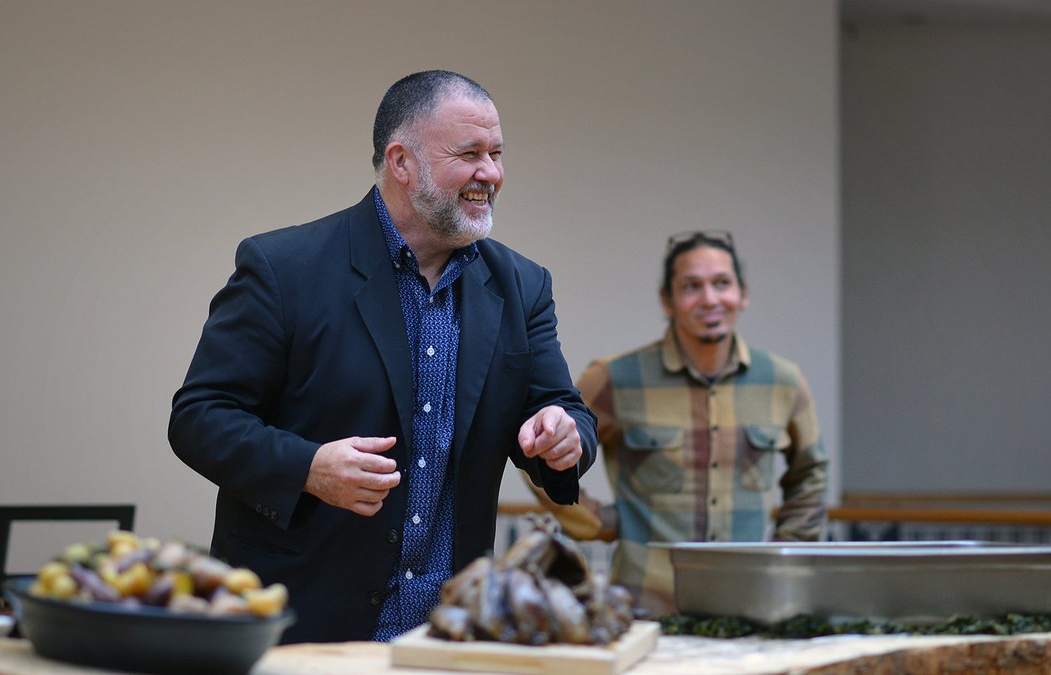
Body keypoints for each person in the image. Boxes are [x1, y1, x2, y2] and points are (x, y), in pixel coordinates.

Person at [168, 70, 597, 644]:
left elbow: (562, 409)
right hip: (303, 626)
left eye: (497, 154)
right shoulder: (283, 267)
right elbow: (200, 417)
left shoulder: (522, 284)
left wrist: (566, 438)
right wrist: (308, 469)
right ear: (402, 162)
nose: (490, 174)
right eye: (469, 154)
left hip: (452, 635)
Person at [530, 230, 828, 617]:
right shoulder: (616, 378)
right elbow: (545, 442)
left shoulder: (783, 381)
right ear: (667, 300)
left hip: (750, 608)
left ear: (743, 293)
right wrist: (592, 521)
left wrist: (781, 557)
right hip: (643, 609)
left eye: (722, 283)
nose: (709, 299)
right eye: (692, 286)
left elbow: (811, 473)